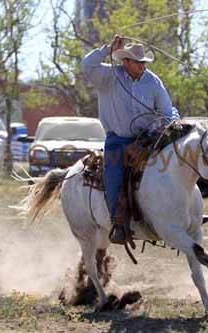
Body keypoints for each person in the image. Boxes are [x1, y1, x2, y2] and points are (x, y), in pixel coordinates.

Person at [82, 35, 179, 244]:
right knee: (114, 175)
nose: (142, 66)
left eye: (144, 62)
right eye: (138, 62)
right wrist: (108, 49)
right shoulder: (108, 76)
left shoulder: (152, 81)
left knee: (175, 165)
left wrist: (169, 124)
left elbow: (167, 110)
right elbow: (87, 65)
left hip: (148, 139)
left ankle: (183, 211)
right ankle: (119, 221)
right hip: (119, 140)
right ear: (125, 62)